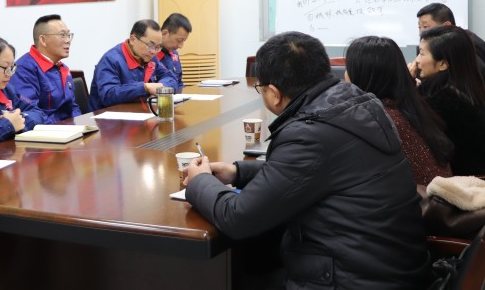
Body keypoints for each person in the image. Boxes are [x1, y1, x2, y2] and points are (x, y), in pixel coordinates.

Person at [184, 31, 429, 289]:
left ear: (274, 93)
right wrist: (238, 172)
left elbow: (237, 218)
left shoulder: (309, 134)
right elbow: (311, 172)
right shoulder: (356, 104)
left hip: (352, 279)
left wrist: (200, 181)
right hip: (391, 270)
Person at [345, 35, 453, 185]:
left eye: (348, 68)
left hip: (421, 198)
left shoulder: (379, 120)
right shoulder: (409, 107)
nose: (345, 75)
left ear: (363, 74)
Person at [414, 25, 485, 176]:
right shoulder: (470, 89)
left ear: (443, 64)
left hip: (461, 182)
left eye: (422, 53)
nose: (417, 60)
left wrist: (406, 85)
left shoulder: (444, 100)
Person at [88, 19, 179, 110]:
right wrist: (144, 87)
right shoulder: (111, 60)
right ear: (133, 40)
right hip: (108, 116)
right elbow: (108, 96)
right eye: (150, 46)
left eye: (158, 47)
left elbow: (171, 78)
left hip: (140, 112)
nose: (154, 52)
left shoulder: (149, 57)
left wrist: (162, 86)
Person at [8, 14, 81, 122]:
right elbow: (31, 114)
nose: (68, 41)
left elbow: (73, 108)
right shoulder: (23, 70)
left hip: (69, 129)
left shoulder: (62, 68)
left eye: (68, 35)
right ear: (43, 40)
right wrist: (64, 128)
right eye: (62, 35)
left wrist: (81, 125)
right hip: (47, 130)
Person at [412, 2, 485, 76]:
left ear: (447, 26)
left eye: (425, 27)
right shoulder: (427, 46)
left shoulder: (466, 47)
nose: (421, 33)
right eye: (419, 27)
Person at [157, 13, 192, 91]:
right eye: (179, 40)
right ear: (164, 33)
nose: (180, 46)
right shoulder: (150, 55)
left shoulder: (174, 55)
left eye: (183, 41)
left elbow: (179, 83)